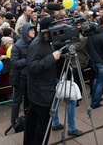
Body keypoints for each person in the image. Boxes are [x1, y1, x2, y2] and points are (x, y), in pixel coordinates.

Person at [24, 17, 61, 145]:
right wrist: (52, 57)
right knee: (42, 126)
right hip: (41, 91)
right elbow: (33, 67)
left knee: (33, 121)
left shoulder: (46, 41)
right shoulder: (38, 44)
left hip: (41, 90)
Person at [9, 22, 35, 126]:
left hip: (30, 76)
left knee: (28, 99)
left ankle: (27, 119)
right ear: (26, 32)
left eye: (34, 30)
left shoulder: (33, 43)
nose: (34, 31)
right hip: (20, 77)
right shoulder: (18, 45)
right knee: (17, 100)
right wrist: (27, 60)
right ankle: (14, 121)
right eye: (31, 30)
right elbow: (14, 62)